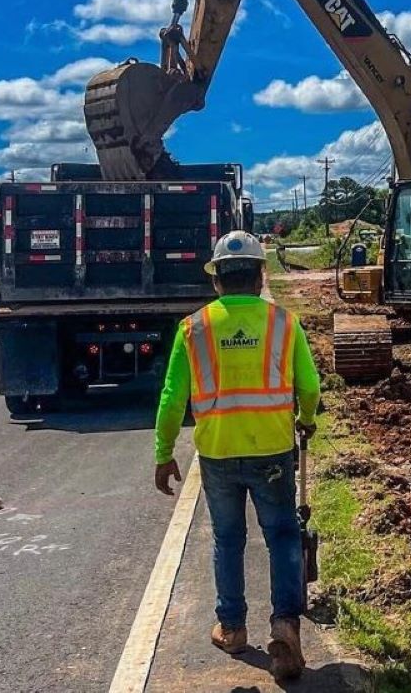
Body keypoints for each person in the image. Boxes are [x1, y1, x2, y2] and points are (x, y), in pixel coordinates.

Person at [154, 230, 321, 681]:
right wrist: (306, 418)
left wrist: (164, 452)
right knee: (283, 536)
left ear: (217, 280)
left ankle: (232, 628)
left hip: (218, 454)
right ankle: (285, 624)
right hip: (272, 450)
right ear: (262, 273)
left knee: (228, 540)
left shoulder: (194, 328)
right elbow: (309, 386)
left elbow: (172, 399)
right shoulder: (285, 324)